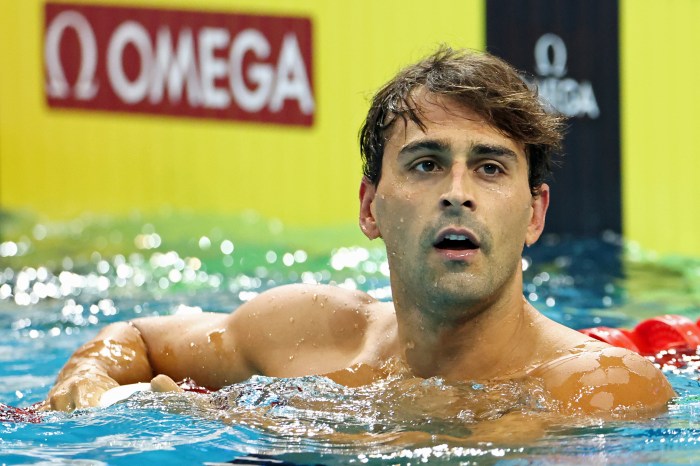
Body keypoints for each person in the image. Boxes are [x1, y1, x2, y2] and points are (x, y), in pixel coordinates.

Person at [45, 46, 675, 414]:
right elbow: (136, 338)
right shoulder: (303, 333)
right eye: (426, 165)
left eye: (488, 167)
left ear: (535, 213)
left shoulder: (602, 387)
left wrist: (252, 418)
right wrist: (91, 385)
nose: (458, 192)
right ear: (370, 207)